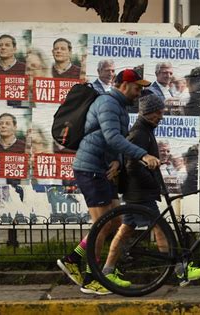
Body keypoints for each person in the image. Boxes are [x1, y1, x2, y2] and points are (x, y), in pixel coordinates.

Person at [56, 69, 160, 295]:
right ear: (123, 85)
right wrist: (143, 155)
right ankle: (91, 278)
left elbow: (110, 141)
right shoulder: (108, 103)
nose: (139, 92)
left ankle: (74, 259)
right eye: (137, 88)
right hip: (90, 168)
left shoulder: (120, 106)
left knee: (114, 222)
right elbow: (112, 137)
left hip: (101, 169)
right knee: (102, 225)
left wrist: (116, 161)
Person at [104, 94, 200, 287]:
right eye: (159, 112)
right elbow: (133, 166)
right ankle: (181, 270)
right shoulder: (140, 133)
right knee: (161, 228)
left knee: (126, 230)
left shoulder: (145, 130)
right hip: (140, 192)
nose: (161, 116)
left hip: (137, 191)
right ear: (149, 113)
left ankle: (107, 271)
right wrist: (153, 185)